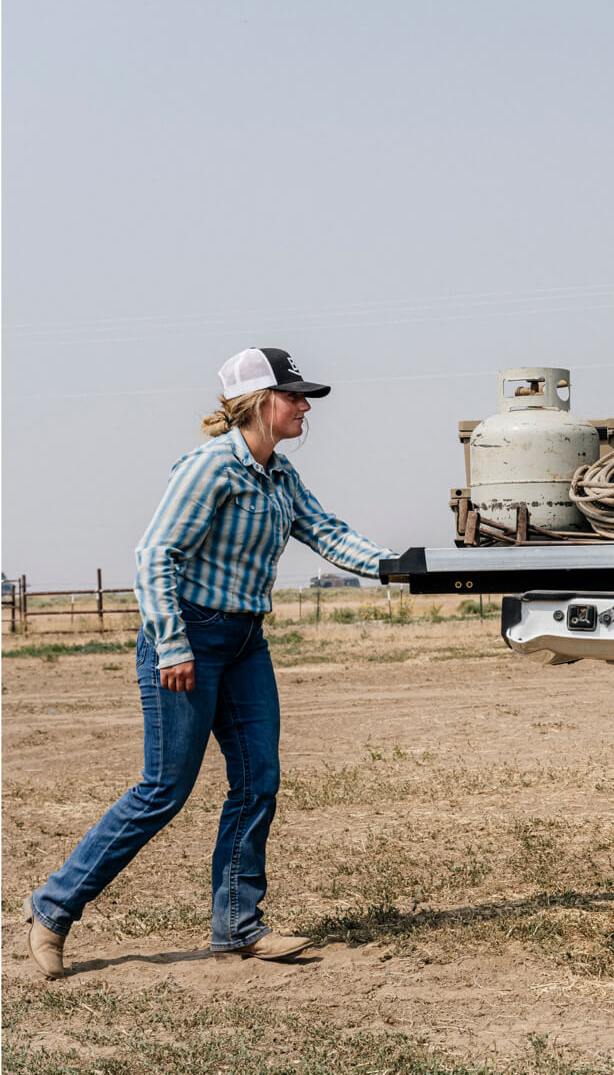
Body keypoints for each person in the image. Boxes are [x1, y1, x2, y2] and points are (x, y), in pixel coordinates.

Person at [23, 347, 395, 978]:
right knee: (164, 789)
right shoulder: (209, 469)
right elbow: (155, 555)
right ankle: (54, 909)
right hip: (189, 637)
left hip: (246, 638)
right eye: (295, 396)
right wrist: (171, 643)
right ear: (257, 403)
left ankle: (239, 926)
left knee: (258, 779)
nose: (305, 407)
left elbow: (326, 531)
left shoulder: (277, 475)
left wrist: (400, 564)